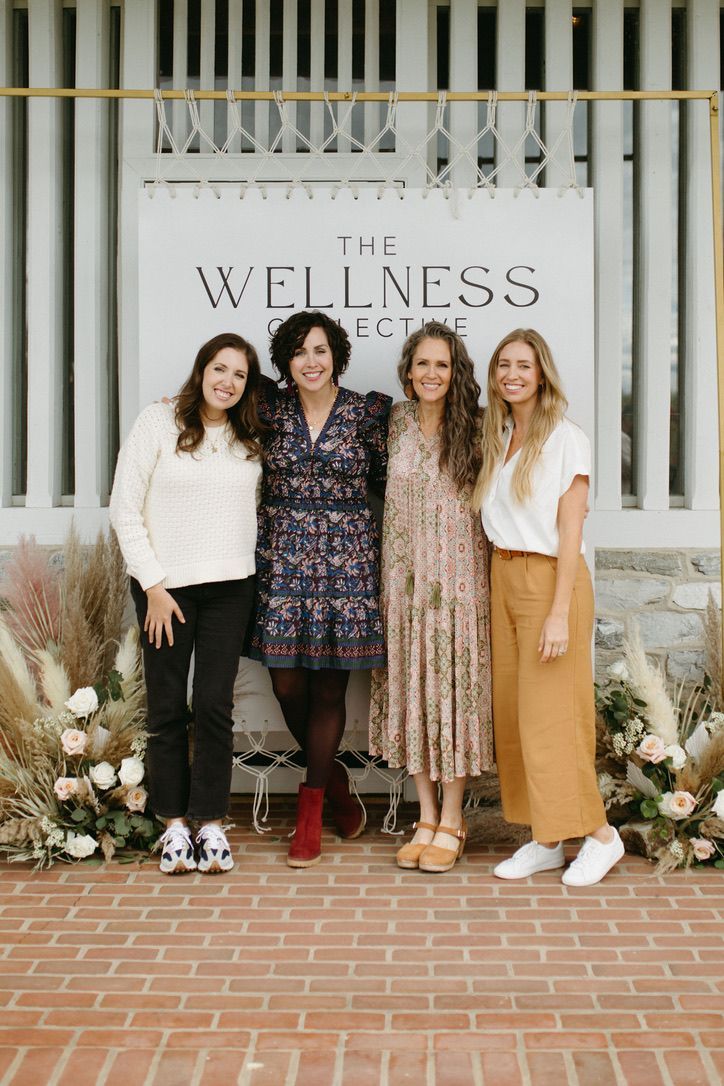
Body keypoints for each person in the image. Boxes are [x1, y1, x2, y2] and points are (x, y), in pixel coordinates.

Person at [473, 328, 624, 886]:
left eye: (524, 365)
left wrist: (560, 612)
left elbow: (570, 528)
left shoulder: (566, 438)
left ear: (542, 374)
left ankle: (601, 836)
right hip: (504, 575)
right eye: (503, 365)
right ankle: (544, 835)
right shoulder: (501, 434)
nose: (513, 374)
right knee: (515, 716)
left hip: (549, 582)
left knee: (553, 717)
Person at [110, 332, 264, 875]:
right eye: (219, 369)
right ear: (201, 370)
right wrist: (153, 585)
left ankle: (211, 823)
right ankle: (173, 823)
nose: (227, 381)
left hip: (230, 587)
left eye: (239, 375)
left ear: (248, 386)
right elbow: (124, 510)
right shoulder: (158, 422)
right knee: (168, 708)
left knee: (215, 705)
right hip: (164, 590)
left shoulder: (251, 436)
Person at [250, 311, 391, 868]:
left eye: (320, 350)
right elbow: (209, 406)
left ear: (337, 355)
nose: (311, 361)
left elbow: (394, 480)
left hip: (347, 565)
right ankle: (334, 785)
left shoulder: (367, 414)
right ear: (286, 362)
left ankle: (309, 815)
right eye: (300, 352)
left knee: (331, 692)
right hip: (282, 562)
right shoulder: (266, 409)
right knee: (287, 687)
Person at [369, 322, 494, 873]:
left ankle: (454, 816)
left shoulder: (480, 426)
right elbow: (313, 406)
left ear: (456, 371)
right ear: (408, 369)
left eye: (441, 364)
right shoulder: (390, 422)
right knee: (412, 693)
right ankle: (423, 815)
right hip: (402, 585)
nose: (431, 374)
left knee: (454, 695)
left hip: (461, 586)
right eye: (422, 363)